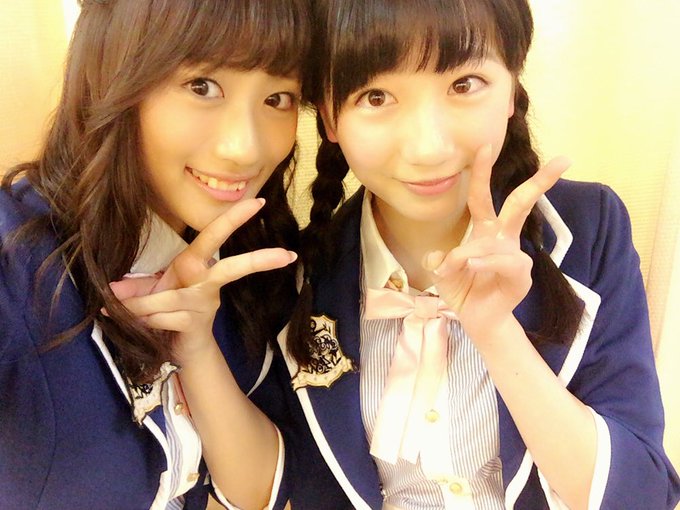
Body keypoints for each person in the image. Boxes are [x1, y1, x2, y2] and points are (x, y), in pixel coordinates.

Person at [274, 0, 680, 508]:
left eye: (464, 84)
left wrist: (495, 331)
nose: (428, 147)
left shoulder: (589, 227)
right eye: (376, 97)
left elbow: (641, 496)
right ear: (329, 116)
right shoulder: (301, 273)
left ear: (512, 85)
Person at [0, 0, 308, 508]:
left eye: (278, 98)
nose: (246, 149)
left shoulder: (252, 258)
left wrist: (197, 348)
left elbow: (257, 495)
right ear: (111, 75)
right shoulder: (16, 262)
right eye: (202, 86)